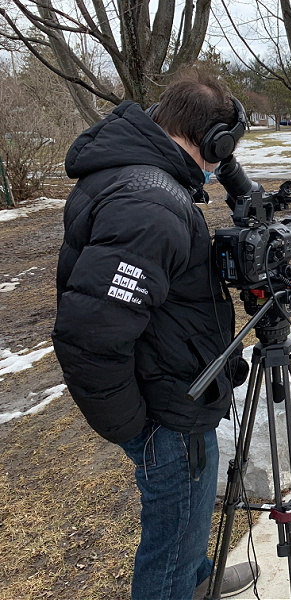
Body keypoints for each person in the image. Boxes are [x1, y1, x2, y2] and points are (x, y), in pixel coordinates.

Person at [51, 71, 258, 600]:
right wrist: (136, 429)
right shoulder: (151, 204)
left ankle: (198, 576)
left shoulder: (133, 176)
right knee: (168, 547)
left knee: (184, 526)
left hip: (173, 387)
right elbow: (90, 333)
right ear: (213, 141)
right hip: (166, 411)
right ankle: (180, 581)